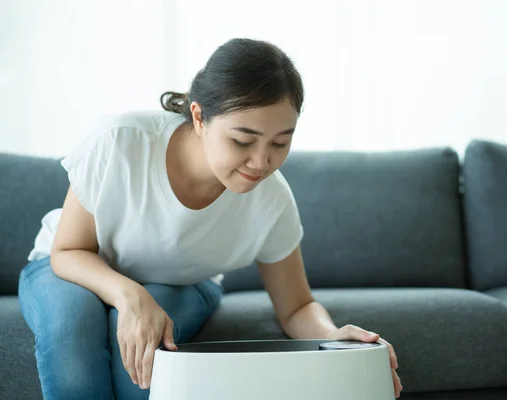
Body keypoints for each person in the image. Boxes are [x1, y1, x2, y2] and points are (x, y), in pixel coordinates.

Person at [18, 38, 403, 400]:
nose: (262, 162)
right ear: (200, 117)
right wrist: (130, 295)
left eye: (280, 143)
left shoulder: (272, 201)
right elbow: (68, 251)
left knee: (144, 366)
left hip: (182, 284)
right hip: (73, 267)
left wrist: (336, 338)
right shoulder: (120, 142)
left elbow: (296, 307)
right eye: (242, 140)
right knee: (72, 338)